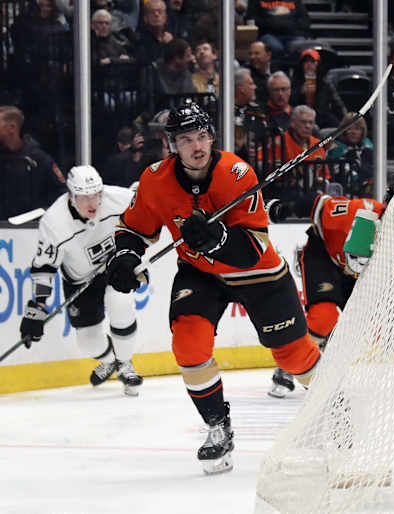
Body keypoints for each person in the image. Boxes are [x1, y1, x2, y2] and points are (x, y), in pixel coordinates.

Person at [106, 102, 320, 474]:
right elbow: (133, 229)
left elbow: (253, 248)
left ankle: (337, 410)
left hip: (259, 275)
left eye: (202, 136)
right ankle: (218, 427)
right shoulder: (155, 179)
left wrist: (216, 237)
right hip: (200, 272)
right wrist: (125, 256)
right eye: (186, 139)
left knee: (294, 359)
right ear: (172, 144)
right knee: (188, 343)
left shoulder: (237, 173)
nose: (197, 146)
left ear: (212, 137)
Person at [19, 165, 143, 396]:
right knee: (88, 341)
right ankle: (111, 361)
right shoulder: (54, 222)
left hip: (116, 266)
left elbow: (147, 201)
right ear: (71, 196)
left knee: (121, 302)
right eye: (84, 197)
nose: (92, 203)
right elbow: (46, 266)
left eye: (96, 194)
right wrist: (37, 308)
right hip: (80, 278)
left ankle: (126, 364)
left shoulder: (115, 198)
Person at [267, 190, 385, 398]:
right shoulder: (337, 216)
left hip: (362, 269)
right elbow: (312, 201)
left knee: (366, 325)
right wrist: (281, 209)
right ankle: (288, 365)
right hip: (322, 256)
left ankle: (322, 345)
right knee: (324, 316)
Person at [0, 105, 66, 220]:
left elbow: (62, 194)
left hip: (31, 229)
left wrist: (41, 214)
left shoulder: (38, 159)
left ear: (12, 127)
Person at [259, 105, 330, 203]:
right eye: (303, 122)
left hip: (313, 192)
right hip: (285, 192)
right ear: (292, 123)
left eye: (311, 122)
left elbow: (325, 176)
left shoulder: (318, 144)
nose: (308, 126)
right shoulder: (279, 142)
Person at [291, 48, 347, 129]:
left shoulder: (325, 83)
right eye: (306, 61)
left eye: (312, 61)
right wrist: (300, 92)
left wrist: (347, 118)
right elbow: (289, 102)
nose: (309, 64)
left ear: (318, 64)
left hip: (321, 116)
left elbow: (338, 103)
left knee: (338, 127)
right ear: (301, 64)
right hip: (301, 116)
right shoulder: (294, 82)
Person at [327, 112, 374, 196]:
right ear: (343, 130)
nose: (353, 132)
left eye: (357, 129)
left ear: (363, 131)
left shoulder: (368, 147)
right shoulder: (335, 147)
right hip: (342, 190)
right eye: (349, 128)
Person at [245, 0, 310, 57]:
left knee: (300, 46)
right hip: (269, 34)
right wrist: (270, 24)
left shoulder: (294, 1)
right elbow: (250, 18)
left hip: (293, 35)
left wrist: (291, 26)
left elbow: (305, 19)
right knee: (276, 48)